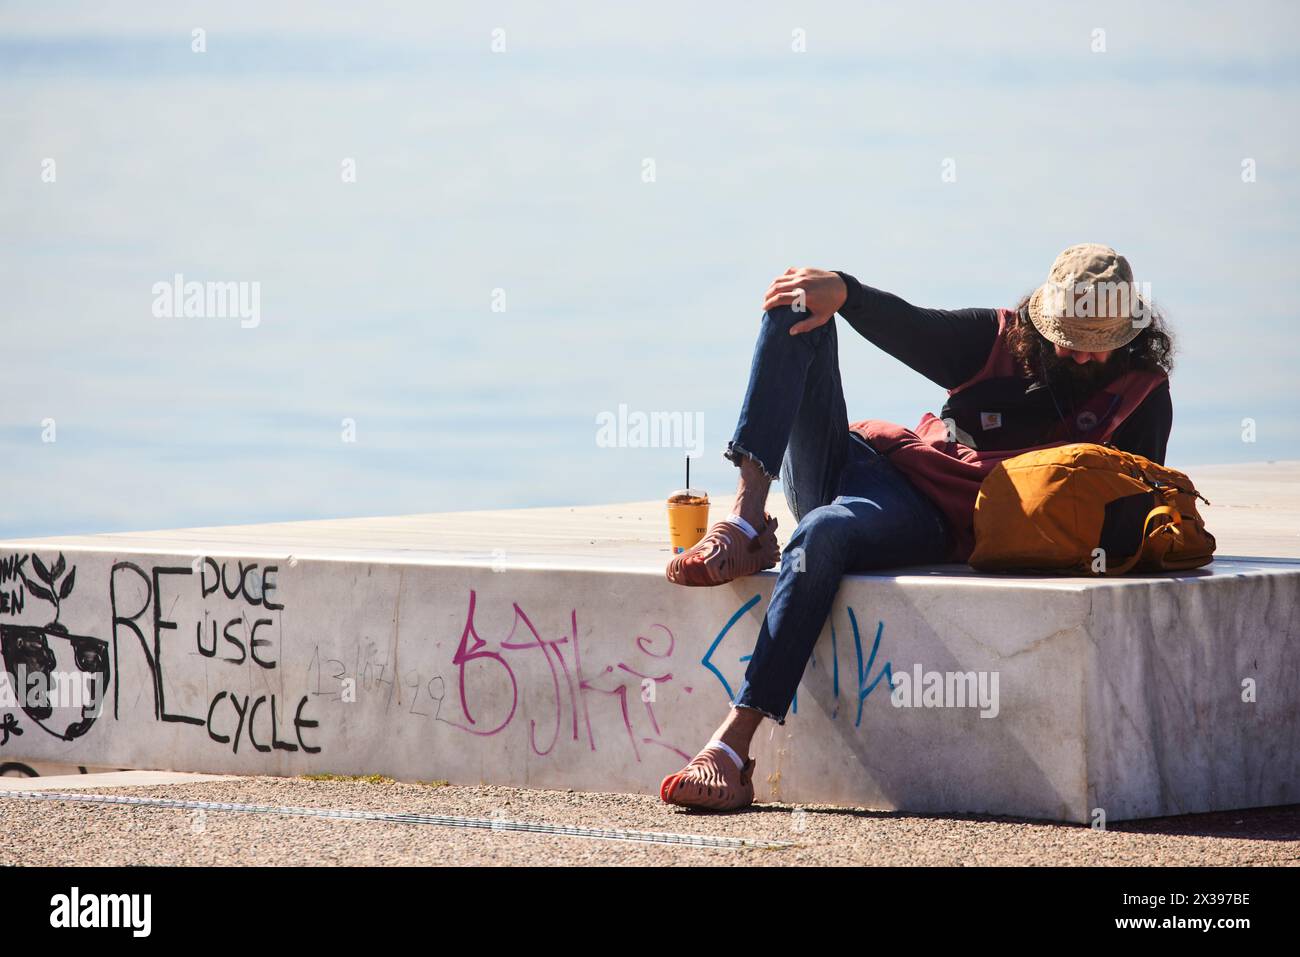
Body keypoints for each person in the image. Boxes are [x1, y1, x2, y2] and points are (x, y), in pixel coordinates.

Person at [659, 243, 1174, 811]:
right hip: (861, 462)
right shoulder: (995, 341)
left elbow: (1128, 517)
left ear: (1127, 336)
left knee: (822, 534)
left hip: (922, 518)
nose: (1078, 356)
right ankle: (747, 520)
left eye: (1095, 346)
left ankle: (732, 748)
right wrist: (845, 289)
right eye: (1067, 338)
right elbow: (907, 324)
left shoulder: (1140, 399)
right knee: (796, 305)